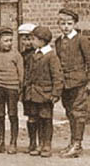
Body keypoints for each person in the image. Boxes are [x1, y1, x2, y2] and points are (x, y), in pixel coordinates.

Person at [55, 8, 90, 158]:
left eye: (69, 23)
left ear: (74, 24)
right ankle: (72, 142)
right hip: (65, 84)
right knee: (69, 112)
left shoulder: (81, 40)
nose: (66, 26)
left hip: (79, 82)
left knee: (78, 112)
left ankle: (77, 144)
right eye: (63, 23)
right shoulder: (58, 41)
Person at [23, 25, 63, 157]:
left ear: (42, 41)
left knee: (45, 118)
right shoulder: (32, 55)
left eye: (33, 39)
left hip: (45, 94)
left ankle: (46, 144)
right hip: (31, 93)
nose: (31, 42)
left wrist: (55, 93)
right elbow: (27, 75)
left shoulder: (51, 56)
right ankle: (34, 143)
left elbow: (57, 76)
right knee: (32, 118)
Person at [0, 26, 25, 154]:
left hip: (12, 88)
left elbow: (21, 74)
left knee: (12, 114)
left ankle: (13, 143)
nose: (8, 43)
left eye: (10, 40)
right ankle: (1, 142)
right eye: (5, 41)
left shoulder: (16, 55)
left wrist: (19, 88)